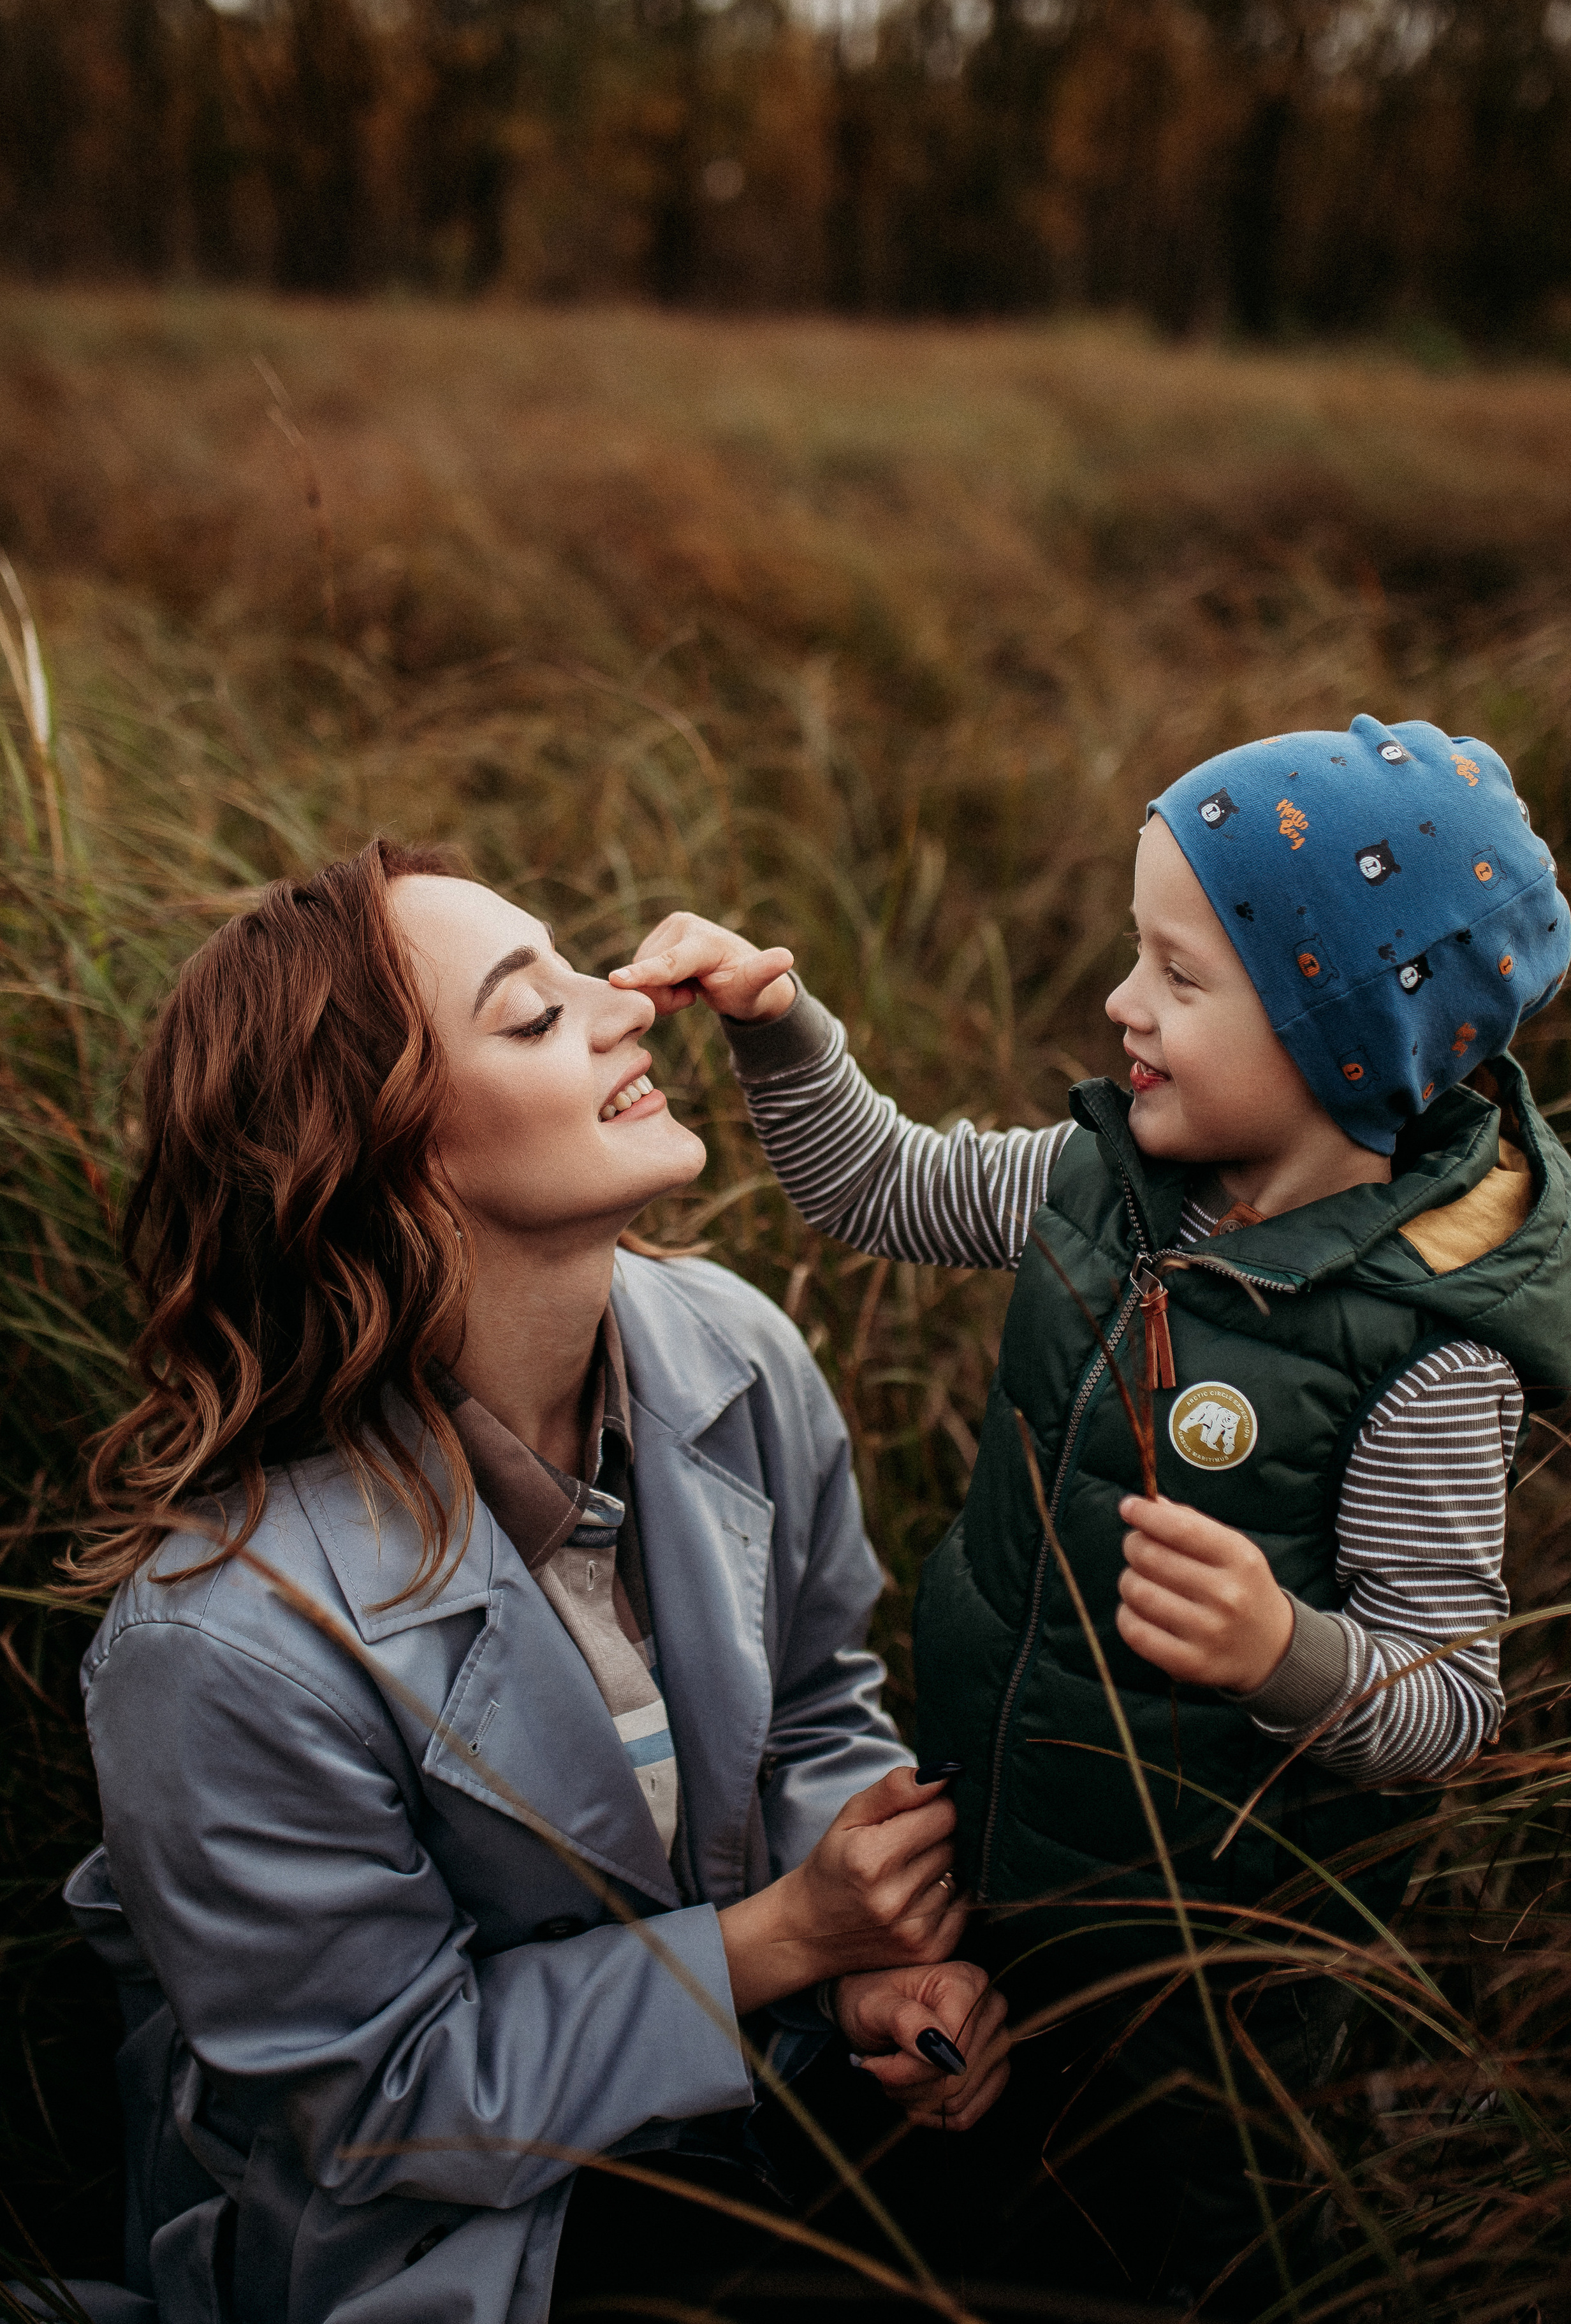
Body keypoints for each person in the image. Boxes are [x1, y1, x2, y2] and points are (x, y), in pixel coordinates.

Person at [613, 713, 1571, 2314]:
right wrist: (781, 1031)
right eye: (1138, 955)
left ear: (1341, 1041)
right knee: (958, 2172)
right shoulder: (1092, 1176)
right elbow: (884, 1186)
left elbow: (1448, 1699)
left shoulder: (1430, 1353)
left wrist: (1281, 1651)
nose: (1122, 1004)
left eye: (1179, 977)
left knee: (1164, 2244)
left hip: (1213, 1964)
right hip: (998, 1840)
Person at [55, 841, 1011, 2324]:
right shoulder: (220, 1644)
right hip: (472, 2249)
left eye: (580, 970)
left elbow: (820, 1704)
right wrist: (780, 1943)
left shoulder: (737, 1350)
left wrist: (873, 1966)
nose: (630, 1004)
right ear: (384, 1157)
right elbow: (390, 2103)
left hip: (782, 2100)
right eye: (532, 1013)